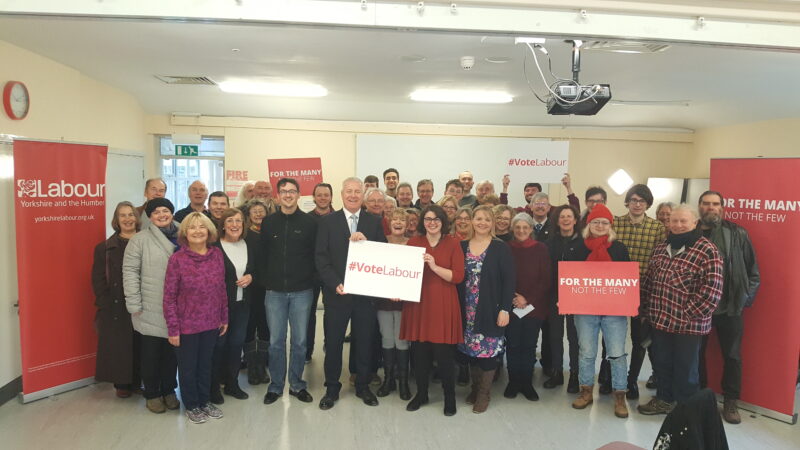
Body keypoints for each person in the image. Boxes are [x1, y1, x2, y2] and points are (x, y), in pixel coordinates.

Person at [638, 204, 723, 416]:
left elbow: (711, 293)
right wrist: (643, 308)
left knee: (686, 371)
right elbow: (649, 282)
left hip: (688, 325)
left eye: (683, 221)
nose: (678, 225)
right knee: (662, 364)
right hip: (660, 321)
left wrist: (686, 315)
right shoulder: (660, 248)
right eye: (674, 221)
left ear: (695, 223)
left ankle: (686, 411)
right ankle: (664, 400)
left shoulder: (708, 251)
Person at [316, 177, 387, 410]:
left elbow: (382, 255)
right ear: (342, 194)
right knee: (334, 343)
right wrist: (334, 282)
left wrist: (368, 244)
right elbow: (321, 258)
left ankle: (363, 386)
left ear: (362, 195)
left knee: (364, 341)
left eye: (358, 191)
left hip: (365, 296)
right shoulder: (328, 222)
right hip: (337, 294)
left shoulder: (374, 222)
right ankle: (332, 388)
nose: (354, 195)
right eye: (349, 191)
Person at [697, 191, 760, 424]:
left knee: (732, 356)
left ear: (722, 207)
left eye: (715, 204)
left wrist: (743, 300)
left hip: (730, 307)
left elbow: (753, 271)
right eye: (706, 204)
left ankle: (731, 401)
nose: (710, 208)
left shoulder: (737, 233)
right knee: (696, 354)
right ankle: (700, 397)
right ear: (699, 206)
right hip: (699, 308)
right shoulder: (690, 232)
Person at [163, 212, 229, 424]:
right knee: (188, 368)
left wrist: (224, 316)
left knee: (205, 365)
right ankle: (192, 405)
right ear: (185, 233)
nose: (198, 231)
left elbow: (222, 288)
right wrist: (173, 329)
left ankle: (205, 400)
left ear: (209, 231)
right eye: (192, 227)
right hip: (186, 326)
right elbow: (169, 297)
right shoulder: (177, 259)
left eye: (202, 227)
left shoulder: (216, 254)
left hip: (211, 322)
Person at [400, 205, 465, 416]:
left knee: (444, 356)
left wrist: (435, 267)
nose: (432, 222)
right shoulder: (414, 242)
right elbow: (403, 273)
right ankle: (422, 394)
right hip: (418, 304)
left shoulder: (453, 243)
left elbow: (457, 277)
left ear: (443, 221)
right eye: (428, 219)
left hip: (443, 303)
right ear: (422, 222)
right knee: (419, 355)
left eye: (436, 219)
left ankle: (449, 397)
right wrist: (396, 289)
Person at [568, 203, 632, 419]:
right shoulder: (577, 248)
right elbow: (569, 279)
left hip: (614, 312)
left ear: (610, 225)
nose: (600, 225)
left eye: (605, 222)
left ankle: (620, 396)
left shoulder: (619, 249)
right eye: (596, 222)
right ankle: (585, 391)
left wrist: (630, 302)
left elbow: (627, 281)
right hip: (585, 310)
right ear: (589, 224)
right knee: (586, 352)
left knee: (616, 353)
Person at [261, 178, 318, 405]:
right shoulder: (268, 223)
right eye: (283, 191)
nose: (287, 195)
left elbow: (316, 256)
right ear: (277, 195)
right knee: (275, 341)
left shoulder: (310, 223)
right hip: (274, 291)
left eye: (292, 191)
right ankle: (275, 386)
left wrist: (310, 280)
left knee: (300, 341)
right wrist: (267, 280)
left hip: (302, 291)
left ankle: (296, 385)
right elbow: (263, 255)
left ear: (298, 194)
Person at [123, 198, 181, 414]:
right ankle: (152, 393)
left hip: (178, 307)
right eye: (156, 212)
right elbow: (129, 272)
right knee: (151, 354)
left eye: (166, 210)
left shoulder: (184, 235)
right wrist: (133, 302)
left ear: (172, 213)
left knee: (171, 354)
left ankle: (169, 390)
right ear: (149, 216)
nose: (162, 215)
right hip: (149, 306)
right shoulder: (139, 240)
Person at [456, 205, 514, 414]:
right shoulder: (461, 246)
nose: (482, 223)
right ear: (472, 221)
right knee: (471, 351)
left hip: (491, 308)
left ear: (492, 223)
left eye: (487, 220)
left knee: (488, 353)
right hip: (466, 307)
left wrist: (505, 309)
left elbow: (509, 281)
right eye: (478, 218)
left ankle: (484, 393)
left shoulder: (500, 248)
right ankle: (474, 387)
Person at [611, 184, 666, 399]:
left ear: (648, 204)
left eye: (641, 201)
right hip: (615, 289)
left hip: (643, 291)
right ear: (627, 202)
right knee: (611, 336)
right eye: (633, 200)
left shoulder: (656, 228)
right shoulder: (615, 224)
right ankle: (608, 377)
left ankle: (631, 381)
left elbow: (660, 261)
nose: (637, 204)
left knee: (639, 339)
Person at [92, 201, 142, 398]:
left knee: (140, 344)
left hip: (142, 301)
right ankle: (122, 384)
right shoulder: (104, 248)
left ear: (136, 219)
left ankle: (138, 381)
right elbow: (97, 279)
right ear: (116, 220)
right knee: (120, 346)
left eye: (131, 214)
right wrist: (105, 303)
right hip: (115, 305)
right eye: (123, 215)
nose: (128, 219)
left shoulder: (144, 242)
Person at [505, 213, 551, 401]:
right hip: (511, 304)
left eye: (525, 227)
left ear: (531, 229)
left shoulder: (541, 248)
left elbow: (545, 279)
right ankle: (513, 381)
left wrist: (527, 299)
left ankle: (526, 382)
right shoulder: (506, 248)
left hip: (534, 306)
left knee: (529, 345)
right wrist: (515, 298)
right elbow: (503, 276)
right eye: (518, 227)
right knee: (513, 344)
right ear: (513, 229)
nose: (521, 231)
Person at [211, 208, 255, 402]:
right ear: (223, 225)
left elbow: (257, 268)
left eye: (238, 221)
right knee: (218, 346)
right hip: (219, 307)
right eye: (230, 221)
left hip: (242, 305)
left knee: (236, 345)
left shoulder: (248, 244)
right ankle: (213, 387)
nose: (235, 225)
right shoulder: (214, 247)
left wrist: (251, 276)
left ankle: (232, 384)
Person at [543, 204, 582, 393]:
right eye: (562, 217)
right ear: (557, 221)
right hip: (554, 294)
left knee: (574, 337)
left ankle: (574, 374)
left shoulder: (584, 243)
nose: (566, 219)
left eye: (569, 216)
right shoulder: (549, 243)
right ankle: (556, 372)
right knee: (555, 335)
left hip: (576, 295)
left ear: (575, 220)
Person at [375, 208, 412, 401]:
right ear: (389, 223)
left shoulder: (413, 245)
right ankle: (388, 380)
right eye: (395, 219)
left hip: (404, 302)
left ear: (407, 225)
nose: (398, 222)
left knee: (402, 340)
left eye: (402, 220)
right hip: (383, 300)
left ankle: (403, 382)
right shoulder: (380, 243)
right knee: (387, 338)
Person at [243, 200, 271, 385]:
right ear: (249, 215)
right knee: (248, 327)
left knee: (266, 327)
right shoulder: (244, 235)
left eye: (262, 211)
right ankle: (252, 367)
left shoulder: (271, 234)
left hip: (269, 288)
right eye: (255, 211)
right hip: (249, 288)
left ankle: (262, 366)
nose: (259, 214)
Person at [307, 183, 335, 362]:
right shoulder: (306, 219)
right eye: (320, 195)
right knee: (308, 313)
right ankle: (307, 350)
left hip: (332, 273)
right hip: (310, 273)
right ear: (314, 197)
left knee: (331, 312)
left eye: (326, 195)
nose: (323, 198)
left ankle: (329, 344)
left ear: (332, 197)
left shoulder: (339, 218)